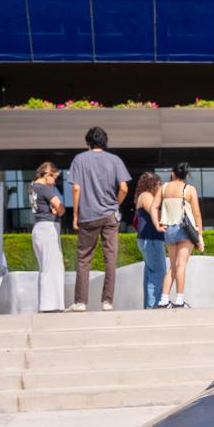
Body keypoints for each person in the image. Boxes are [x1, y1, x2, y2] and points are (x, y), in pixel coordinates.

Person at [67, 126, 130, 312]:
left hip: (88, 216)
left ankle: (80, 302)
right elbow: (124, 188)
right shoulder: (115, 160)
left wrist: (76, 214)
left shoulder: (79, 159)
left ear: (87, 143)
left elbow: (76, 188)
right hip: (110, 215)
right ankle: (107, 301)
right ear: (105, 142)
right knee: (110, 258)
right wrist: (115, 205)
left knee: (84, 258)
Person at [152, 162, 203, 308]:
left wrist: (157, 225)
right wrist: (200, 235)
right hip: (186, 230)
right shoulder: (189, 189)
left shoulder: (164, 188)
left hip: (169, 229)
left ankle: (163, 300)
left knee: (172, 267)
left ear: (173, 173)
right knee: (181, 266)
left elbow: (154, 207)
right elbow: (197, 214)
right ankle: (179, 300)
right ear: (186, 175)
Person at [29, 162, 66, 313]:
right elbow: (60, 206)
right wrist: (59, 212)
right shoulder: (44, 188)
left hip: (38, 227)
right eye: (54, 177)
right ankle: (51, 305)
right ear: (47, 174)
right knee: (53, 267)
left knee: (45, 267)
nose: (55, 182)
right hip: (48, 228)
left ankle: (46, 303)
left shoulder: (32, 187)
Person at [132, 172, 166, 309]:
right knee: (158, 272)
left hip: (149, 239)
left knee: (151, 273)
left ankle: (149, 307)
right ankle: (153, 307)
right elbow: (154, 212)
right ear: (153, 184)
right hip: (151, 239)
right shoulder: (146, 196)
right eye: (159, 184)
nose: (161, 187)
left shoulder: (145, 196)